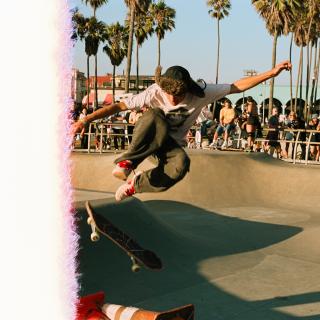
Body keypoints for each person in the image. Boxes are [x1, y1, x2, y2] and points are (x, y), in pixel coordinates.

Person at [72, 61, 292, 201]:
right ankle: (128, 162)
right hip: (151, 135)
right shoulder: (155, 91)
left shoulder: (202, 93)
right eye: (171, 96)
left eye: (179, 96)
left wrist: (271, 73)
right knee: (154, 115)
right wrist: (85, 119)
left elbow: (236, 86)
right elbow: (119, 106)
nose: (174, 100)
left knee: (181, 166)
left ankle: (135, 185)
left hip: (171, 145)